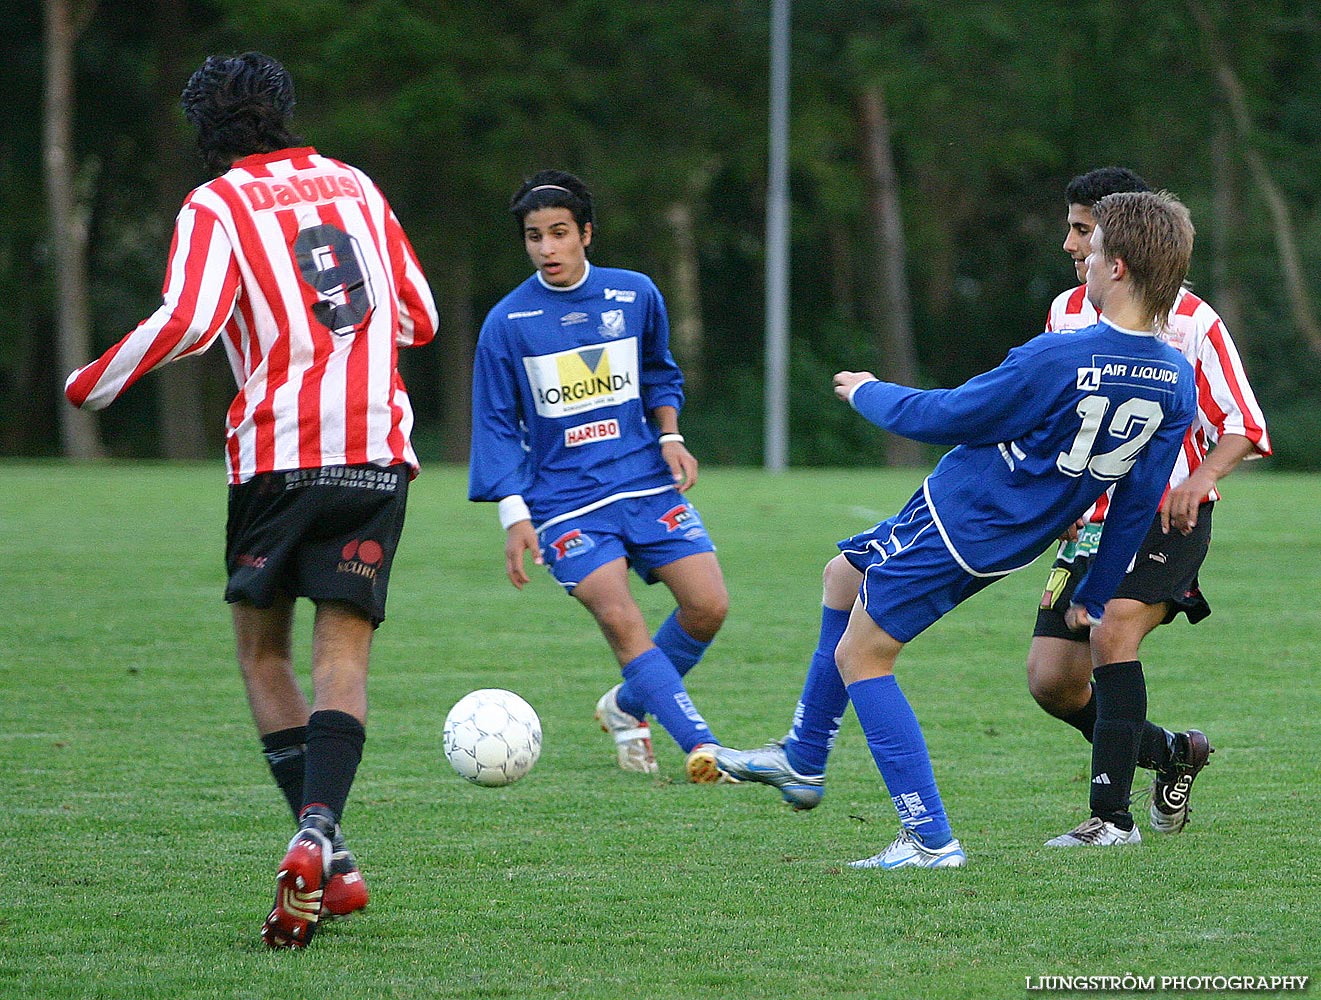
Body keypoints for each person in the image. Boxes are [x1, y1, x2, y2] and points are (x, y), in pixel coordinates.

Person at [64, 52, 438, 948]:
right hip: (376, 454)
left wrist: (90, 383)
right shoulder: (353, 182)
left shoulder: (216, 204)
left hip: (277, 458)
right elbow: (418, 315)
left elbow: (190, 320)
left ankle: (332, 856)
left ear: (207, 131)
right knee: (340, 657)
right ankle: (321, 839)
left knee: (264, 655)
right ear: (284, 109)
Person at [715, 190, 1199, 868]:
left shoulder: (1058, 356)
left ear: (1115, 267)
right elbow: (1138, 495)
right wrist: (1098, 588)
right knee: (841, 575)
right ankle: (802, 757)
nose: (1079, 261)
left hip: (961, 521)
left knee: (863, 657)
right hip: (1000, 532)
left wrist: (867, 391)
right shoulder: (1175, 378)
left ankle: (928, 838)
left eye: (1088, 251)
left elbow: (949, 415)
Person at [1029, 168, 1270, 846]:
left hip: (1167, 519)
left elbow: (1242, 423)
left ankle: (1110, 820)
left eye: (1082, 230)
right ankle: (1169, 751)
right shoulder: (1064, 313)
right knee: (1052, 683)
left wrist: (1199, 479)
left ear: (1119, 242)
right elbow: (1055, 415)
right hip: (1088, 524)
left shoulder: (1193, 322)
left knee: (1111, 634)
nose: (1071, 244)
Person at [468, 170, 730, 783]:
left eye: (559, 233)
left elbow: (661, 373)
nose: (547, 248)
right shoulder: (507, 323)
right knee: (618, 615)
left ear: (586, 233)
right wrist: (514, 515)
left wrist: (670, 435)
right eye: (534, 237)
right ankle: (704, 744)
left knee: (708, 606)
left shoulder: (634, 295)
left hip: (642, 481)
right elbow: (497, 425)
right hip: (563, 500)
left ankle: (626, 706)